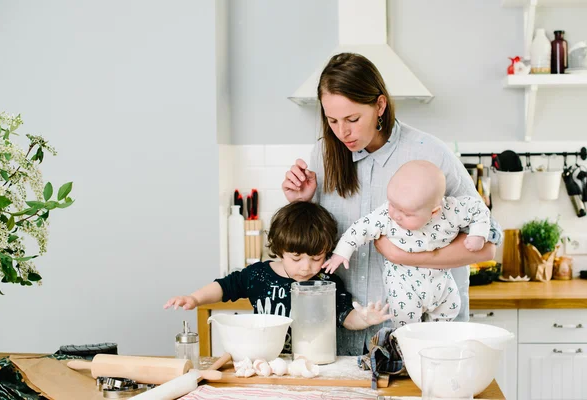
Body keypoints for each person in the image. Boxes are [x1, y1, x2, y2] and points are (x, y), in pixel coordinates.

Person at [281, 52, 502, 355]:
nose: (342, 131)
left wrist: (404, 255)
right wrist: (302, 205)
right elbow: (317, 245)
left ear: (380, 105)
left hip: (420, 340)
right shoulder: (324, 154)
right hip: (340, 340)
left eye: (353, 119)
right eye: (332, 120)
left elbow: (489, 244)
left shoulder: (430, 154)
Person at [163, 201, 392, 353]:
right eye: (296, 258)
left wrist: (364, 319)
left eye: (316, 258)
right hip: (265, 360)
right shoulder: (260, 275)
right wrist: (194, 298)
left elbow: (344, 315)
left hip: (312, 364)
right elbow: (225, 287)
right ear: (280, 249)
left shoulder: (327, 282)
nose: (306, 267)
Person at [322, 160, 491, 326]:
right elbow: (360, 228)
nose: (396, 215)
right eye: (392, 204)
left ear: (434, 212)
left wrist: (478, 233)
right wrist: (341, 252)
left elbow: (478, 208)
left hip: (440, 280)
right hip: (403, 283)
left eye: (406, 213)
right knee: (405, 325)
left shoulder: (452, 211)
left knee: (449, 310)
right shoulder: (386, 216)